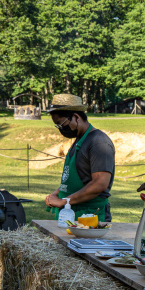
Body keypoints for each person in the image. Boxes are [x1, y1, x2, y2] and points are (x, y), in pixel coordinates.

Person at [45, 93, 116, 222]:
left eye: (62, 124)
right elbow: (80, 179)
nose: (61, 129)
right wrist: (58, 192)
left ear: (76, 117)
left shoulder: (98, 142)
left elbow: (100, 183)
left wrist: (64, 201)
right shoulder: (79, 141)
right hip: (72, 213)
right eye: (58, 126)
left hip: (90, 215)